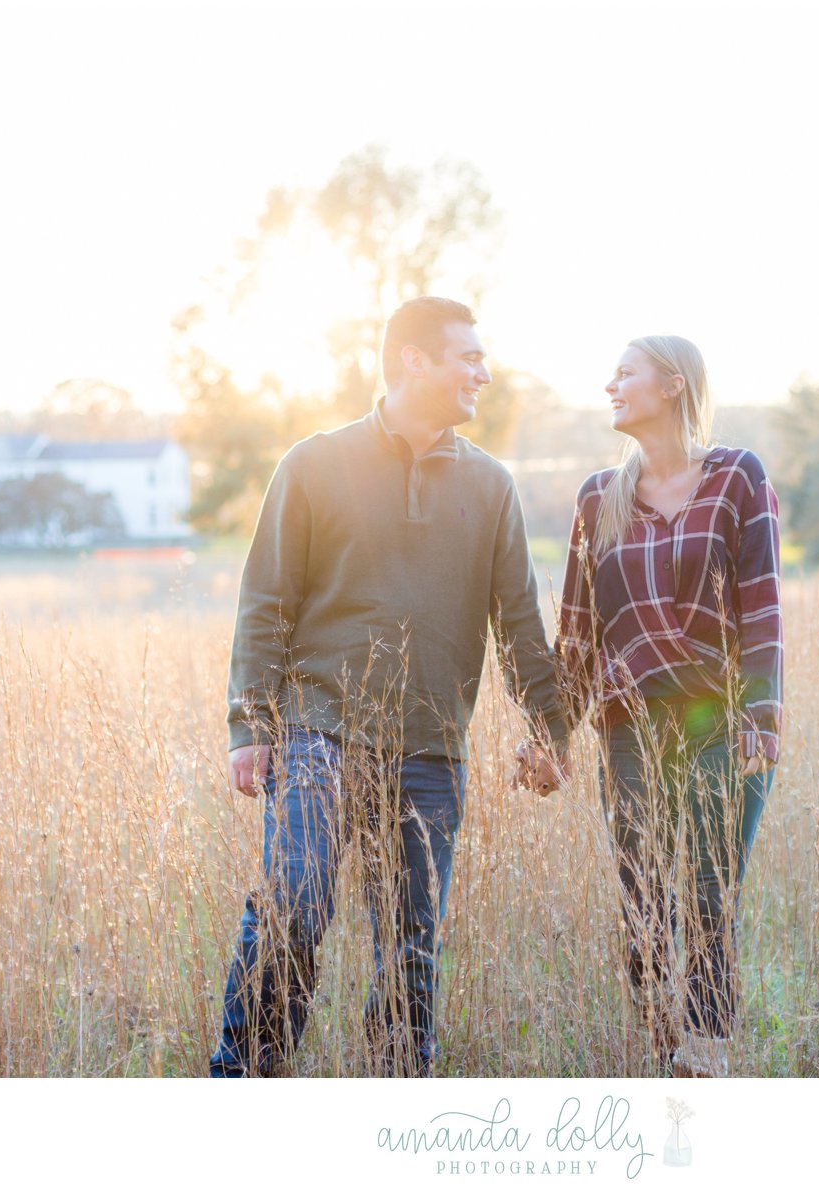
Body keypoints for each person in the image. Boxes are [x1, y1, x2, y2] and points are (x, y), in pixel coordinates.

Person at [210, 296, 569, 1078]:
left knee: (411, 944)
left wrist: (551, 733)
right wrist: (249, 727)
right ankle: (242, 1081)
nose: (483, 369)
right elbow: (266, 600)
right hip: (317, 728)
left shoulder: (491, 485)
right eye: (467, 356)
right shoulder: (313, 462)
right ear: (413, 359)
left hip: (430, 748)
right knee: (295, 903)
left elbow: (519, 625)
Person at [548, 334, 783, 1078]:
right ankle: (659, 1043)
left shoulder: (736, 477)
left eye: (625, 373)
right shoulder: (597, 497)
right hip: (629, 727)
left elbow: (761, 606)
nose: (609, 384)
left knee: (710, 894)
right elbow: (577, 632)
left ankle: (705, 1056)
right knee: (643, 900)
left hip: (720, 719)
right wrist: (550, 733)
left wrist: (763, 713)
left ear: (673, 386)